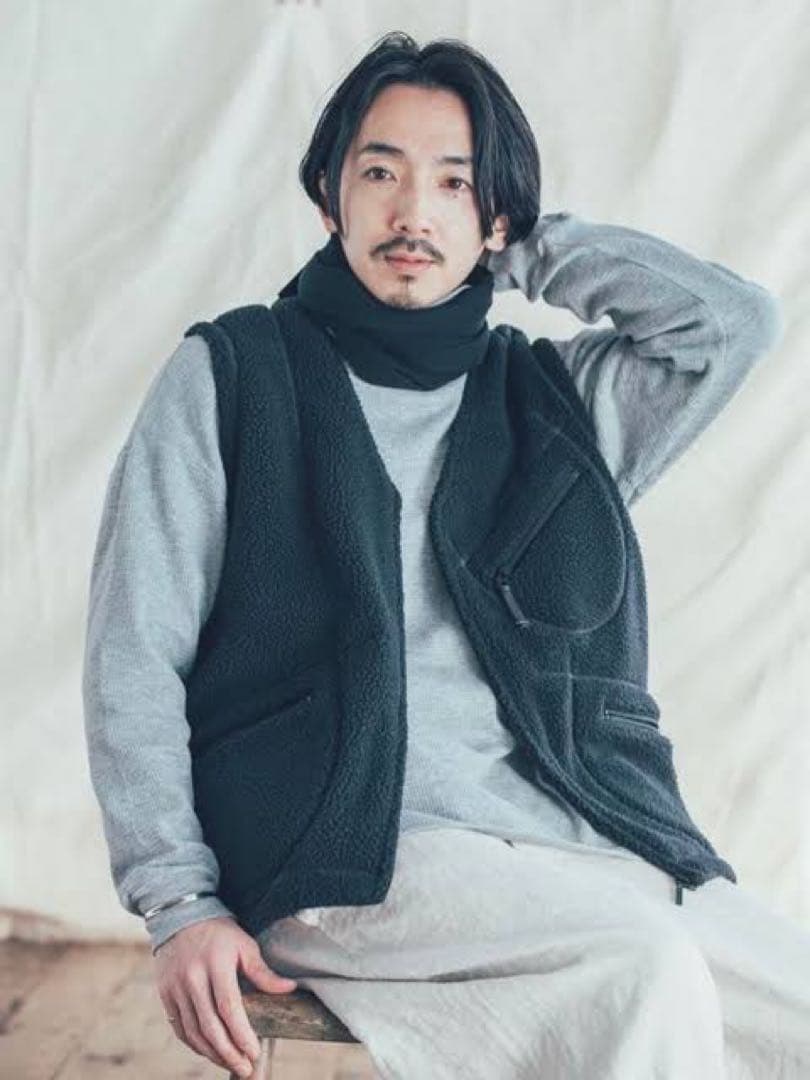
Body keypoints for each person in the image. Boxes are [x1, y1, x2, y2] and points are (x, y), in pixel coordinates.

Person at [81, 30, 809, 1080]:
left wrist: (526, 243)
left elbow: (732, 325)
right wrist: (179, 901)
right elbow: (135, 652)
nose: (413, 212)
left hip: (579, 834)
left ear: (495, 215)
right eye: (380, 173)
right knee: (640, 972)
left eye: (454, 183)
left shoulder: (555, 404)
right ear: (329, 197)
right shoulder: (232, 377)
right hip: (341, 848)